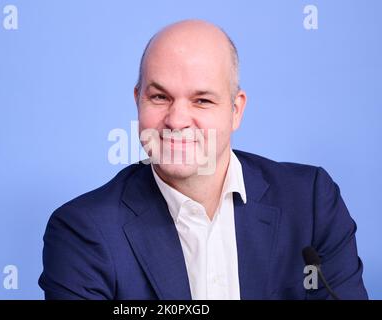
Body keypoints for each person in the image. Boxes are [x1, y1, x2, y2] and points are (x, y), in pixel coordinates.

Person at [38, 19, 368, 300]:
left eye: (202, 100)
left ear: (235, 110)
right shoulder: (83, 231)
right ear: (137, 100)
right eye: (159, 97)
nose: (177, 120)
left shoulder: (310, 202)